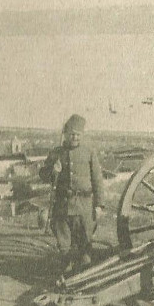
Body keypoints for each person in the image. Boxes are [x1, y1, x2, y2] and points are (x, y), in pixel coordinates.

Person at [39, 114, 105, 274]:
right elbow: (43, 175)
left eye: (78, 135)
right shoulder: (57, 153)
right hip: (63, 206)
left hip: (84, 207)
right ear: (66, 134)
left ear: (82, 135)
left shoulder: (89, 152)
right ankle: (66, 276)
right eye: (72, 134)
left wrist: (99, 205)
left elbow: (98, 181)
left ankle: (84, 277)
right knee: (64, 247)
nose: (75, 137)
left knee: (85, 248)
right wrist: (52, 171)